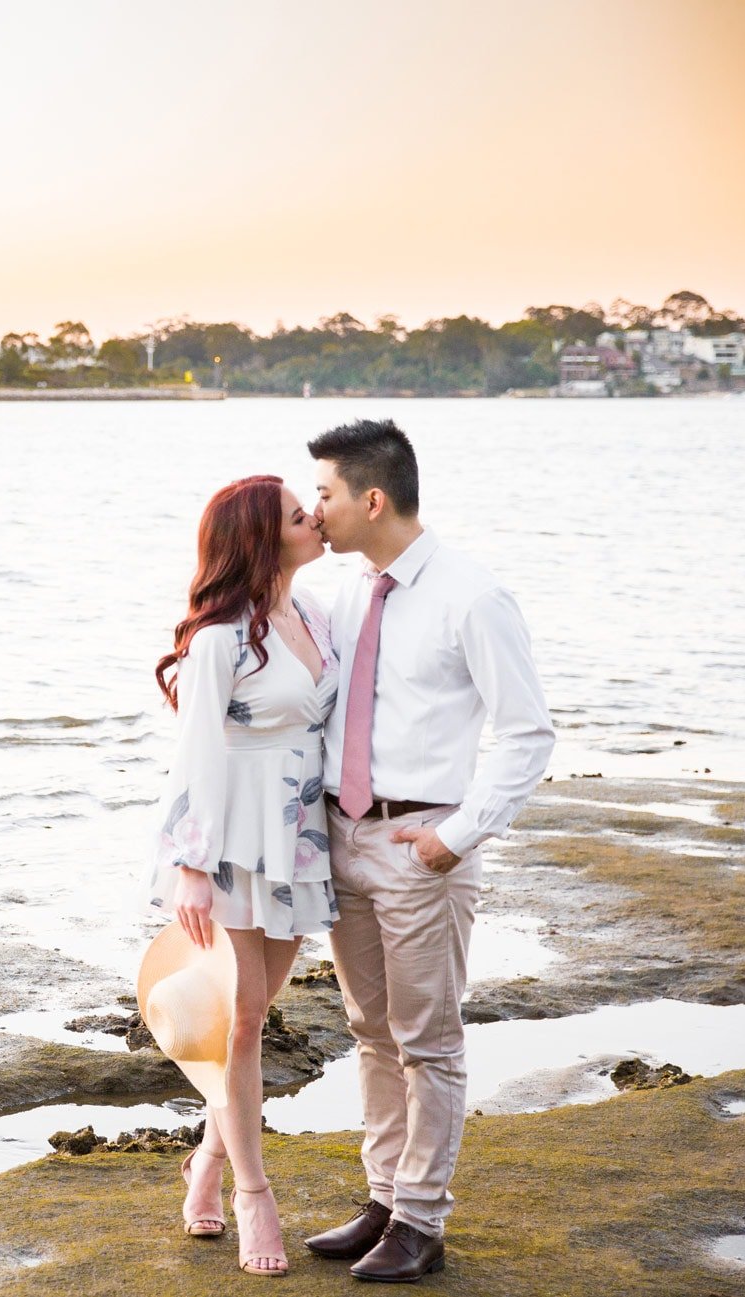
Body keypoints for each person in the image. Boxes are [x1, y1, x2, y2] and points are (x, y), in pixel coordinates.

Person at [302, 420, 553, 1283]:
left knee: (427, 1039)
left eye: (325, 494)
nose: (315, 510)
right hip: (342, 837)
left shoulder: (471, 596)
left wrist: (455, 835)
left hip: (422, 845)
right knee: (369, 1033)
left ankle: (421, 1220)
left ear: (372, 499)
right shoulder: (342, 593)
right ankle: (382, 1197)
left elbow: (526, 733)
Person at [144, 473, 339, 1278]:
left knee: (252, 1021)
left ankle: (205, 1163)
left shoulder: (314, 617)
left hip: (297, 837)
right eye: (300, 515)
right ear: (263, 538)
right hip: (225, 845)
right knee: (241, 1017)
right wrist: (190, 867)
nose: (316, 518)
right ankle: (253, 1193)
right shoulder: (218, 640)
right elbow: (198, 756)